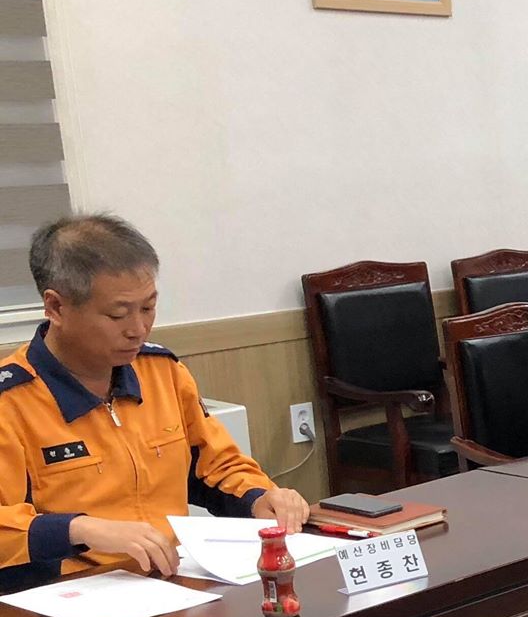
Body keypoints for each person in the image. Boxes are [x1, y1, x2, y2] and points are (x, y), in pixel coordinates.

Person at [0, 214, 308, 589]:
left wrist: (258, 498)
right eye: (117, 314)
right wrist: (79, 529)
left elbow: (216, 466)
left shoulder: (162, 372)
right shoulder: (11, 400)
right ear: (56, 307)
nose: (138, 329)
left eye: (147, 308)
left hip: (173, 577)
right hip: (70, 594)